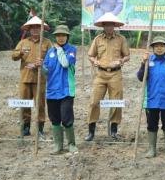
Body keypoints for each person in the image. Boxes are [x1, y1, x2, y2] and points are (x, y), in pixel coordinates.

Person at [86, 12, 130, 141]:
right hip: (100, 74)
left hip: (116, 74)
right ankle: (91, 131)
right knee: (94, 102)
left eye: (111, 25)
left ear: (115, 26)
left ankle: (114, 130)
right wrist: (94, 61)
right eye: (107, 25)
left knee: (116, 102)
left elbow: (127, 55)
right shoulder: (98, 39)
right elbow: (90, 55)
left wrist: (121, 61)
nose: (109, 27)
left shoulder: (121, 39)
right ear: (103, 26)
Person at [137, 36, 165, 158]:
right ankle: (152, 149)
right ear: (152, 48)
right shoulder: (148, 61)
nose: (159, 48)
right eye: (156, 46)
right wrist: (143, 63)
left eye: (162, 46)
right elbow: (141, 77)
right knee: (151, 125)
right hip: (152, 100)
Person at [11, 16, 53, 137]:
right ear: (29, 29)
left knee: (40, 104)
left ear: (42, 29)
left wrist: (42, 63)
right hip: (25, 78)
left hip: (40, 79)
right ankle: (26, 128)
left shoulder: (47, 43)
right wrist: (20, 53)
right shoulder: (23, 42)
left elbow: (52, 59)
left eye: (38, 28)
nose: (35, 30)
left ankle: (40, 128)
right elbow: (13, 56)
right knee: (25, 103)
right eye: (33, 28)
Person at [43, 25, 78, 154]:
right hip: (52, 91)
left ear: (67, 36)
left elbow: (65, 63)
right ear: (55, 37)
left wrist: (58, 49)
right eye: (58, 35)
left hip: (66, 90)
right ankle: (58, 145)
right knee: (55, 118)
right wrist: (39, 66)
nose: (61, 38)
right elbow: (46, 71)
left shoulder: (71, 50)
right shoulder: (50, 52)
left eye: (63, 35)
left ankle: (71, 144)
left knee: (66, 117)